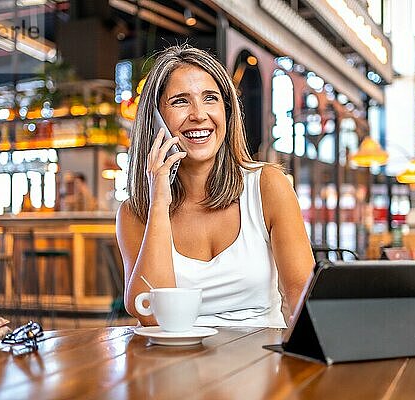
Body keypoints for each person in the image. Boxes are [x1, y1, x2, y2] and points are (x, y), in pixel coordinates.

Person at [116, 45, 314, 328]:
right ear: (156, 119)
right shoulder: (136, 211)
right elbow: (150, 315)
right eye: (180, 101)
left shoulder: (268, 186)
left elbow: (300, 297)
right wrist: (159, 201)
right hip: (172, 366)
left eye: (210, 98)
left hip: (261, 364)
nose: (199, 114)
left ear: (227, 111)